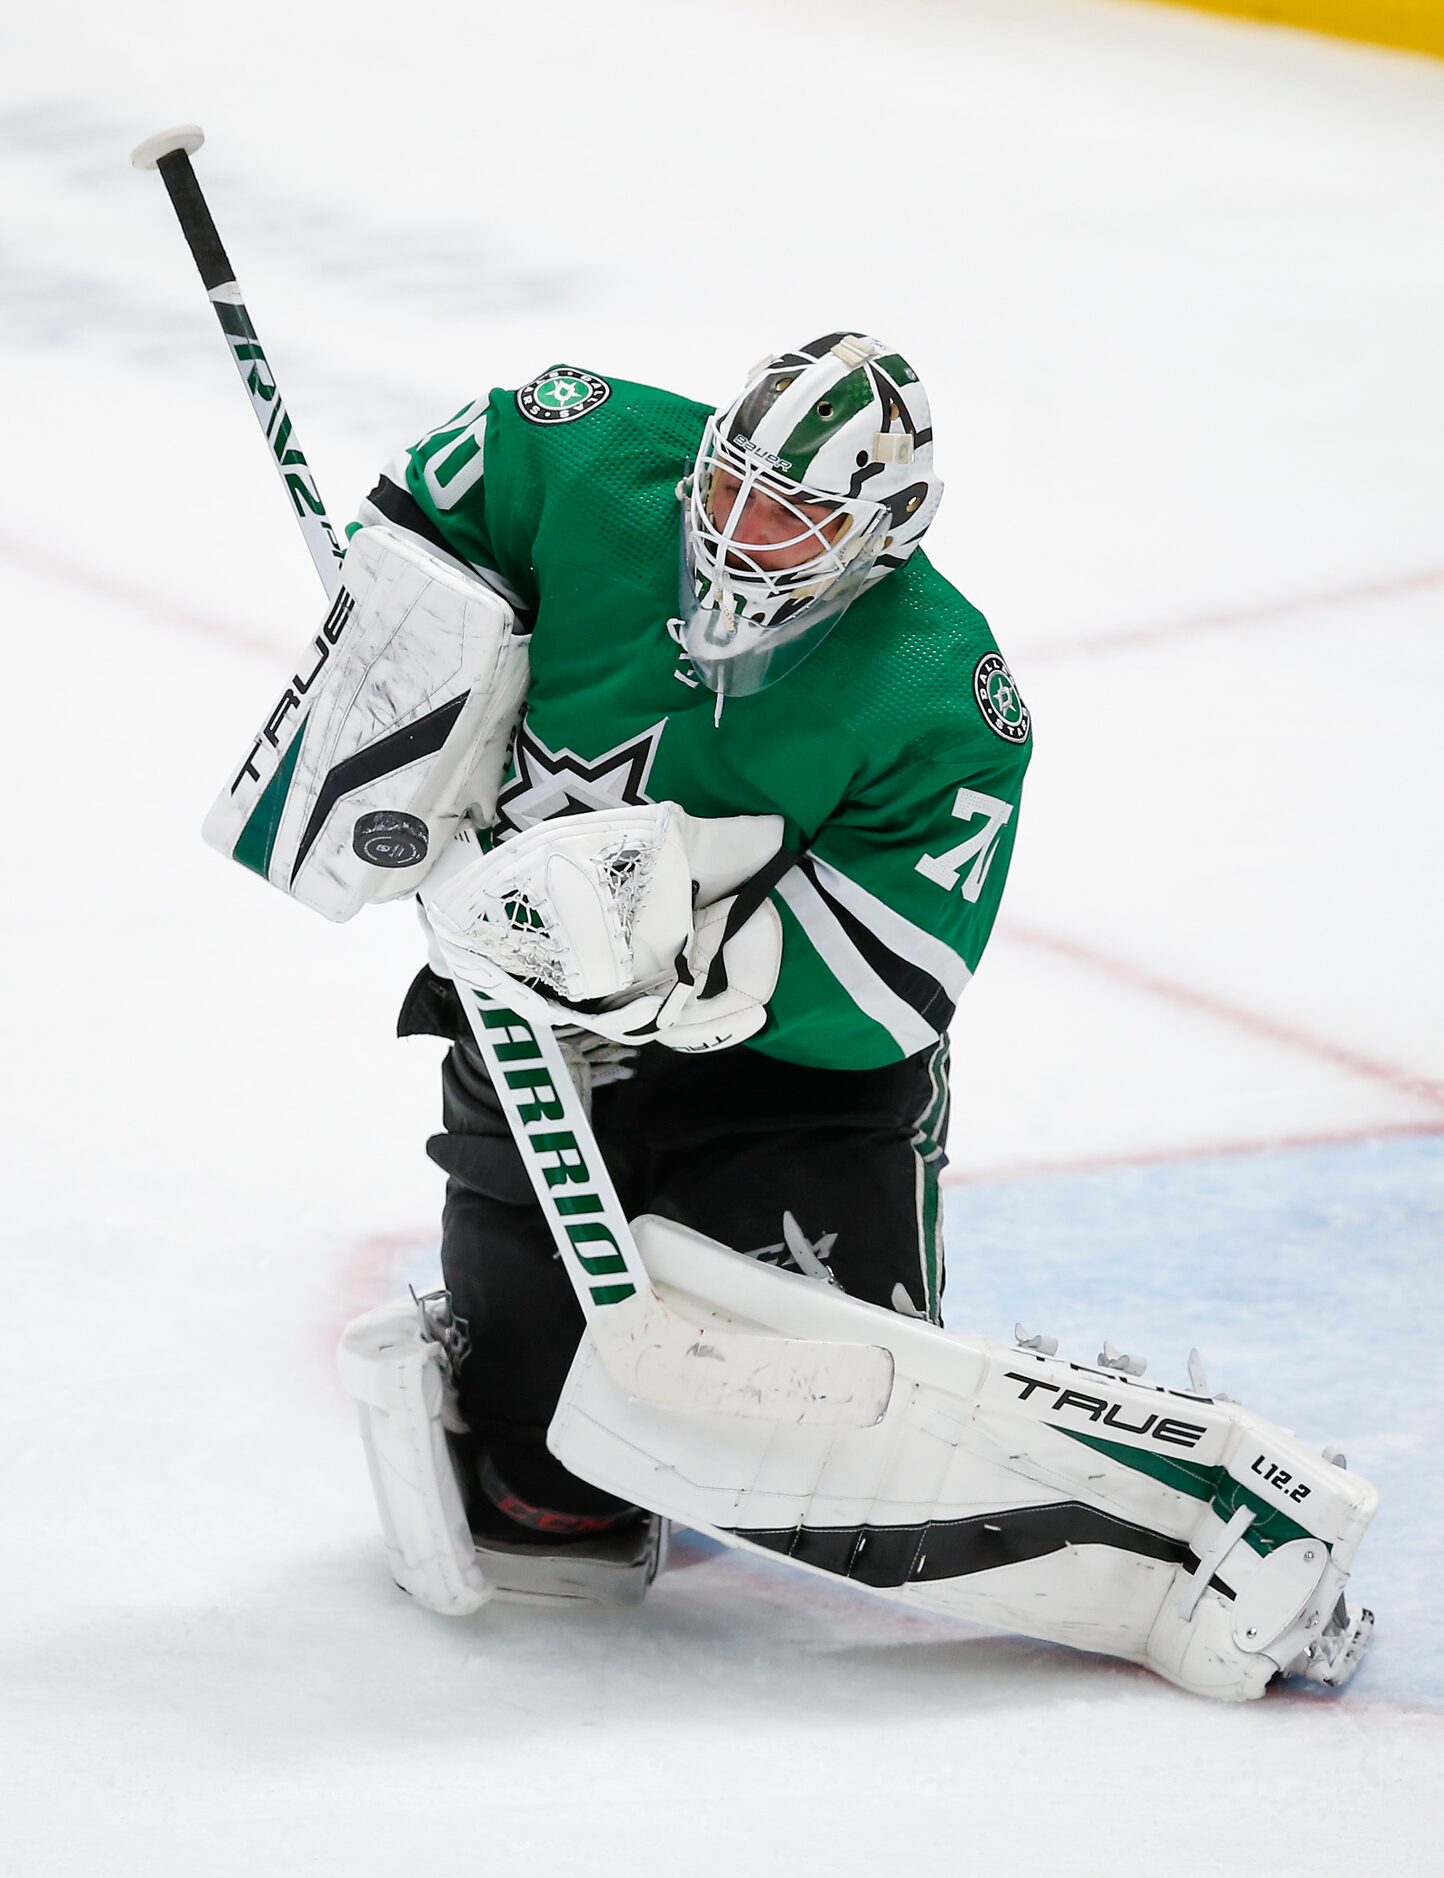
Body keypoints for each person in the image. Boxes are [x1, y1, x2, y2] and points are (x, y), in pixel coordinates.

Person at [356, 333, 1032, 1562]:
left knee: (824, 1418)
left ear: (886, 531)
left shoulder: (943, 688)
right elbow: (423, 518)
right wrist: (405, 679)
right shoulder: (587, 447)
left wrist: (685, 972)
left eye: (787, 518)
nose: (732, 531)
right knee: (541, 1477)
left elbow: (895, 980)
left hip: (771, 1065)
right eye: (724, 487)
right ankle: (523, 1416)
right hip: (523, 998)